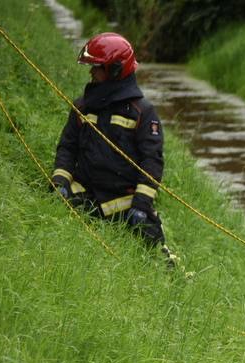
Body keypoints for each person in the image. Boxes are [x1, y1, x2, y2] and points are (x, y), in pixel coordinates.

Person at [51, 33, 166, 249]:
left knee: (153, 248)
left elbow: (152, 162)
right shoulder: (82, 107)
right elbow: (67, 147)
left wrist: (141, 205)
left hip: (124, 203)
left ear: (115, 70)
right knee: (52, 223)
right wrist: (60, 182)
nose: (91, 72)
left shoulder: (142, 113)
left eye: (97, 67)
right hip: (85, 194)